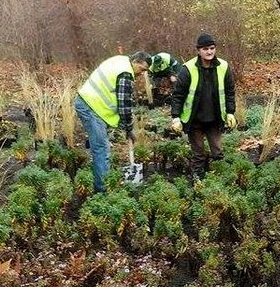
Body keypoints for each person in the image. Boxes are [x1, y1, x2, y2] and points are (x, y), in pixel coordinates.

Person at [75, 51, 152, 193]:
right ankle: (102, 192)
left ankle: (102, 180)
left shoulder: (120, 60)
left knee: (100, 144)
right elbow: (124, 105)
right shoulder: (126, 73)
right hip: (91, 107)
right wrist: (129, 129)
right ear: (135, 62)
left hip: (91, 104)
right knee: (102, 149)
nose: (142, 74)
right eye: (142, 69)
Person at [170, 33, 237, 178]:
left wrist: (231, 112)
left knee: (218, 152)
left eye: (212, 48)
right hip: (195, 120)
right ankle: (197, 181)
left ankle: (219, 181)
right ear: (198, 50)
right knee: (198, 153)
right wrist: (175, 117)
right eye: (205, 49)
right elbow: (178, 95)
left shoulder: (223, 67)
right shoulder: (187, 69)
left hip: (215, 118)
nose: (209, 52)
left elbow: (230, 91)